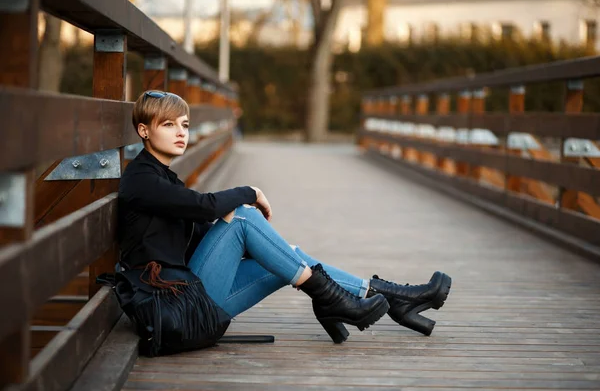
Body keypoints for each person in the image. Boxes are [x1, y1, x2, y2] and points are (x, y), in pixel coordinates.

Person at [117, 90, 452, 348]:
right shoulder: (143, 179)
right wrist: (249, 192)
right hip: (175, 310)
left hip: (188, 302)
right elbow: (205, 207)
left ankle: (388, 298)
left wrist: (258, 243)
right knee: (246, 217)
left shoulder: (160, 177)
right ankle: (341, 301)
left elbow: (203, 224)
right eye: (168, 124)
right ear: (144, 130)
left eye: (185, 125)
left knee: (286, 255)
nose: (181, 132)